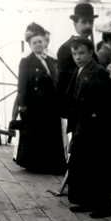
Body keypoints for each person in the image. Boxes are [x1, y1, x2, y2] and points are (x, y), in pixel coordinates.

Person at [65, 36, 111, 218]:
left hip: (94, 129)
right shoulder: (80, 70)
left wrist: (95, 119)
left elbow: (106, 101)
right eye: (74, 54)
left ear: (90, 53)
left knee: (97, 168)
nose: (77, 57)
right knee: (83, 168)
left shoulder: (97, 72)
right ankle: (88, 201)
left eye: (81, 53)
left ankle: (104, 206)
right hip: (82, 126)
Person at [12, 22, 66, 174]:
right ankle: (36, 165)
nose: (38, 45)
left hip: (50, 104)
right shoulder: (27, 61)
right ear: (30, 45)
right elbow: (21, 84)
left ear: (44, 43)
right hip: (35, 105)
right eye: (34, 43)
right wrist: (23, 105)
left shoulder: (49, 59)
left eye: (40, 42)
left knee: (50, 136)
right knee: (38, 136)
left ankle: (51, 164)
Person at [57, 3, 99, 119]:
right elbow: (63, 83)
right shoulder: (66, 49)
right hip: (78, 110)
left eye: (91, 22)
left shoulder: (90, 47)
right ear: (75, 23)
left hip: (92, 108)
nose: (88, 26)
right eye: (84, 22)